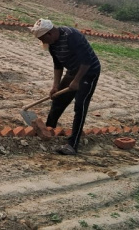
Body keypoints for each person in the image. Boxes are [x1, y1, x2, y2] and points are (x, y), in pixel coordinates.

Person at [31, 18, 101, 155]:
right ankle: (49, 129)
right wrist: (55, 86)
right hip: (73, 71)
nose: (43, 42)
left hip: (88, 72)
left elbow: (86, 61)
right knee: (58, 100)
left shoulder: (72, 36)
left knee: (80, 106)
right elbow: (58, 66)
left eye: (43, 39)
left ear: (50, 33)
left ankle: (72, 145)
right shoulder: (52, 44)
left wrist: (76, 81)